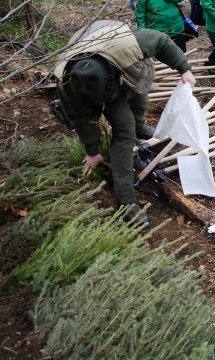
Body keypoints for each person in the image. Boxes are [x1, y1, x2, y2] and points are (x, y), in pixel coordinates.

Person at [55, 21, 196, 226]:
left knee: (140, 102)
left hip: (125, 67)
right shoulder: (67, 82)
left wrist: (184, 69)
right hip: (96, 70)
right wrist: (92, 151)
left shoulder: (127, 45)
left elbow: (163, 42)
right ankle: (126, 201)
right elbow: (81, 119)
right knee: (124, 131)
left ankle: (140, 126)